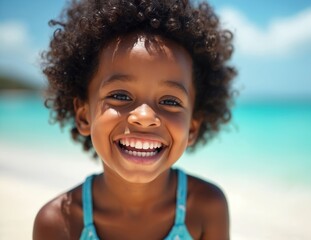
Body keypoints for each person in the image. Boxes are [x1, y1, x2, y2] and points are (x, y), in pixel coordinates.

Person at [33, 0, 236, 239]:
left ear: (192, 127)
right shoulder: (60, 223)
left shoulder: (206, 208)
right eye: (120, 95)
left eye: (170, 101)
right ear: (84, 115)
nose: (144, 117)